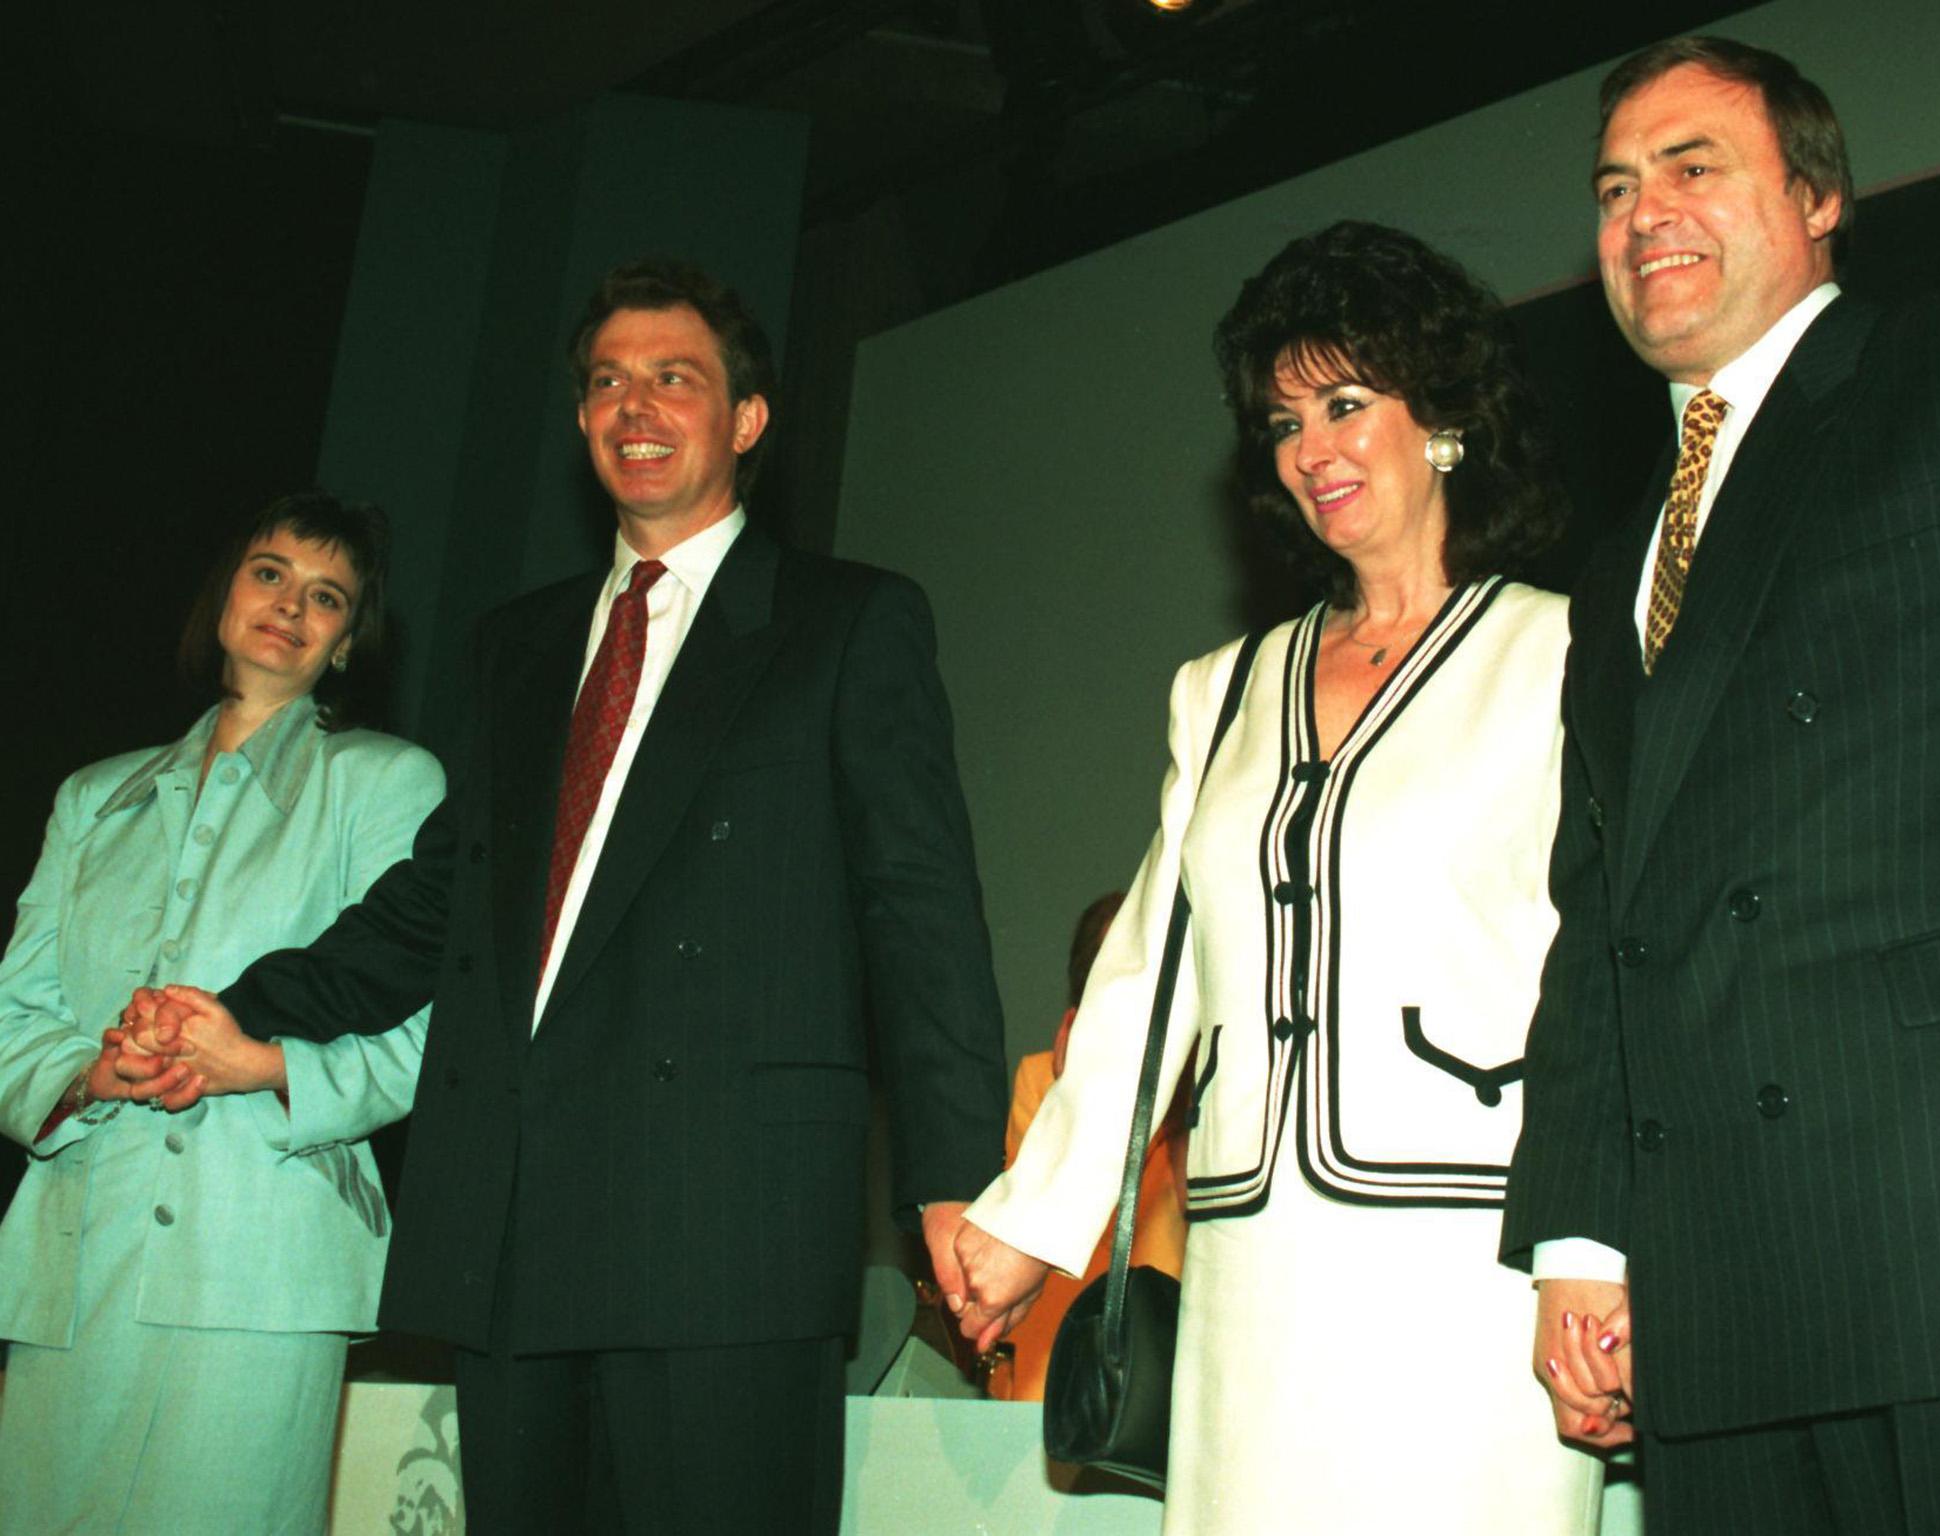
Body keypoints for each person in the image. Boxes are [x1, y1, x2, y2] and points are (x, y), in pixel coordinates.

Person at [123, 258, 1010, 1534]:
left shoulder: (847, 622)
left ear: (745, 421)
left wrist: (954, 1179)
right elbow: (444, 899)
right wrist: (241, 1010)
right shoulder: (520, 644)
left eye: (673, 378)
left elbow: (918, 912)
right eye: (605, 382)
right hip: (518, 1224)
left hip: (726, 1228)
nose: (632, 406)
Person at [951, 222, 1603, 1534]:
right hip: (1252, 1276)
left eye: (1347, 402)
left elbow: (1605, 967)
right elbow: (1150, 973)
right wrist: (1035, 1221)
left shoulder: (1568, 659)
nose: (1312, 448)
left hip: (1475, 1270)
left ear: (1448, 420)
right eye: (1283, 418)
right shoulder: (1223, 690)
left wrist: (1599, 1253)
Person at [1501, 36, 1940, 1534]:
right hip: (1719, 1294)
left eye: (1693, 165)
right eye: (1614, 186)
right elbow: (1603, 912)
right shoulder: (1620, 558)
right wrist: (1578, 1241)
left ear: (1819, 200)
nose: (1642, 211)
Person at [0, 493, 440, 1532]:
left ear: (345, 643)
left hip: (263, 1257)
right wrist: (95, 1071)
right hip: (72, 1258)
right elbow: (15, 1014)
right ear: (223, 596)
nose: (292, 605)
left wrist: (266, 1065)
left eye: (326, 595)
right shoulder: (92, 798)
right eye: (270, 573)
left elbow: (431, 1032)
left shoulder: (385, 783)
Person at [987, 890, 1188, 1404]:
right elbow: (1073, 1227)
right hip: (1051, 1392)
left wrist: (1183, 1105)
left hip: (1170, 1393)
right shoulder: (1042, 1084)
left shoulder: (1216, 1097)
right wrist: (1079, 1095)